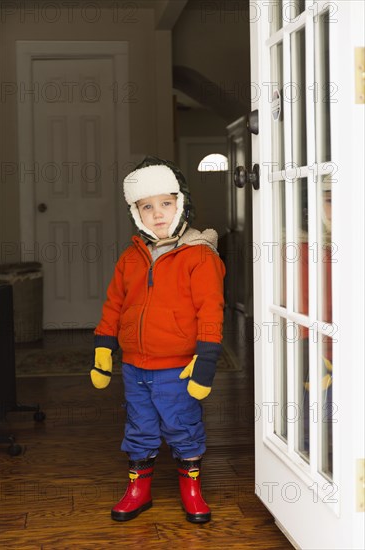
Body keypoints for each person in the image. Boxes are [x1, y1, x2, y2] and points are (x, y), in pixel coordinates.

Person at [90, 156, 225, 524]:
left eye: (165, 203)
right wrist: (104, 346)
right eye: (146, 206)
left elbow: (210, 311)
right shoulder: (130, 259)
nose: (157, 214)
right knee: (139, 427)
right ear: (136, 212)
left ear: (181, 204)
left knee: (183, 427)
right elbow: (114, 304)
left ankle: (191, 490)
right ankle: (139, 490)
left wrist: (206, 360)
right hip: (134, 366)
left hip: (178, 368)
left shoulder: (200, 256)